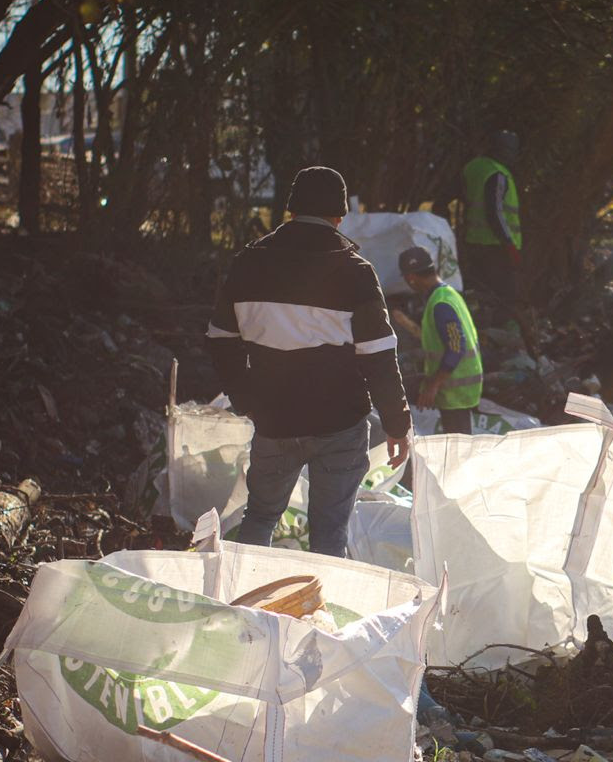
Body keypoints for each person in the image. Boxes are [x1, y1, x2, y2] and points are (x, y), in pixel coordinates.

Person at [207, 166, 411, 557]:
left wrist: (248, 399)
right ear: (339, 216)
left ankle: (245, 602)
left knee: (261, 517)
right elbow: (379, 358)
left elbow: (220, 341)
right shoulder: (355, 272)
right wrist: (397, 424)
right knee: (330, 530)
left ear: (291, 210)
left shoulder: (247, 265)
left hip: (274, 421)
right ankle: (317, 611)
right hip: (340, 424)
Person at [398, 247, 482, 436]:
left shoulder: (441, 303)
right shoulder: (449, 294)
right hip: (458, 384)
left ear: (411, 277)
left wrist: (432, 386)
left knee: (458, 445)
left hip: (455, 388)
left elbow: (455, 348)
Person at [461, 130, 524, 303]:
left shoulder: (473, 167)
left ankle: (481, 326)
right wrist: (509, 244)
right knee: (504, 295)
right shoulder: (497, 174)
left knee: (480, 291)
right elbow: (494, 212)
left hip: (473, 240)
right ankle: (501, 327)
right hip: (496, 246)